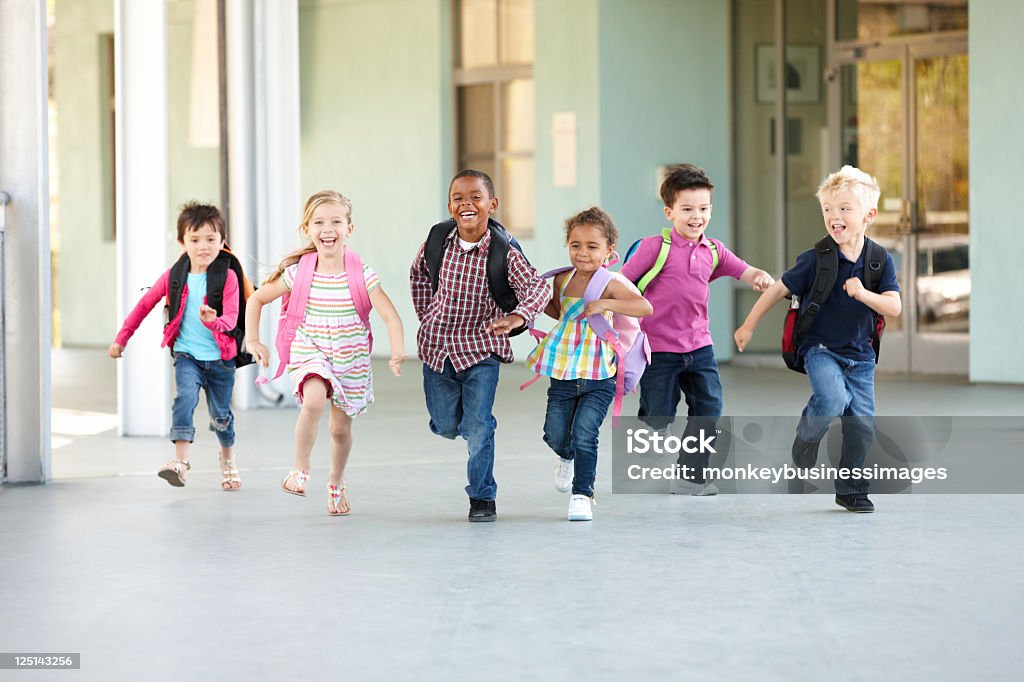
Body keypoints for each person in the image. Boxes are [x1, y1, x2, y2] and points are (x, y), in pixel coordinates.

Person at [734, 165, 901, 512]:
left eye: (844, 208)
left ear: (868, 215)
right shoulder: (815, 259)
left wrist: (863, 295)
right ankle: (808, 434)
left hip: (861, 357)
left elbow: (894, 307)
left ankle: (851, 490)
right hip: (820, 350)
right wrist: (749, 324)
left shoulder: (878, 260)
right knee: (832, 397)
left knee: (863, 426)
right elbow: (779, 287)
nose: (833, 216)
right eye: (827, 209)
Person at [245, 190, 405, 515]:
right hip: (311, 350)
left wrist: (397, 351)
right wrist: (253, 340)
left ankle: (336, 480)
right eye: (319, 222)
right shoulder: (298, 273)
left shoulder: (362, 274)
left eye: (336, 221)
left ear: (350, 228)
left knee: (339, 429)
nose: (327, 228)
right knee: (314, 400)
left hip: (350, 359)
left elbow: (390, 316)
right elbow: (257, 299)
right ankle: (300, 468)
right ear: (307, 228)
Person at [619, 163, 774, 495]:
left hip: (699, 347)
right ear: (669, 212)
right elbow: (622, 284)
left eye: (703, 209)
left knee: (709, 409)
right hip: (657, 347)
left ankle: (690, 477)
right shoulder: (653, 247)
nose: (696, 216)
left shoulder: (713, 250)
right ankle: (653, 428)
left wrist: (759, 277)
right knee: (658, 414)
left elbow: (745, 271)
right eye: (687, 209)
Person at [410, 170, 549, 522]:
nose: (466, 203)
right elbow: (418, 275)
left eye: (475, 197)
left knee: (480, 426)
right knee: (445, 425)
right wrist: (427, 315)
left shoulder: (504, 251)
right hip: (437, 348)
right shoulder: (438, 240)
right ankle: (451, 425)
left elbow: (538, 288)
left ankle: (482, 497)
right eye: (458, 198)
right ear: (450, 205)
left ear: (492, 204)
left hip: (480, 351)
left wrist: (517, 318)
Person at [526, 207, 652, 521]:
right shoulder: (562, 280)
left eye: (592, 247)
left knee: (585, 432)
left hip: (599, 371)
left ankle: (582, 494)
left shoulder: (610, 282)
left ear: (610, 251)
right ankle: (565, 456)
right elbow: (557, 311)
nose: (583, 253)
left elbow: (644, 307)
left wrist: (607, 303)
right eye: (576, 245)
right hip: (564, 369)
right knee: (555, 433)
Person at [109, 202, 246, 490]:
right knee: (184, 397)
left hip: (221, 360)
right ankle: (181, 463)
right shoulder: (175, 275)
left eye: (211, 239)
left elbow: (232, 318)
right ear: (182, 242)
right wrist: (122, 337)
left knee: (221, 416)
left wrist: (213, 321)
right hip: (188, 356)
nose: (203, 247)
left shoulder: (228, 277)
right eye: (195, 240)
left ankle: (228, 458)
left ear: (223, 241)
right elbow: (145, 305)